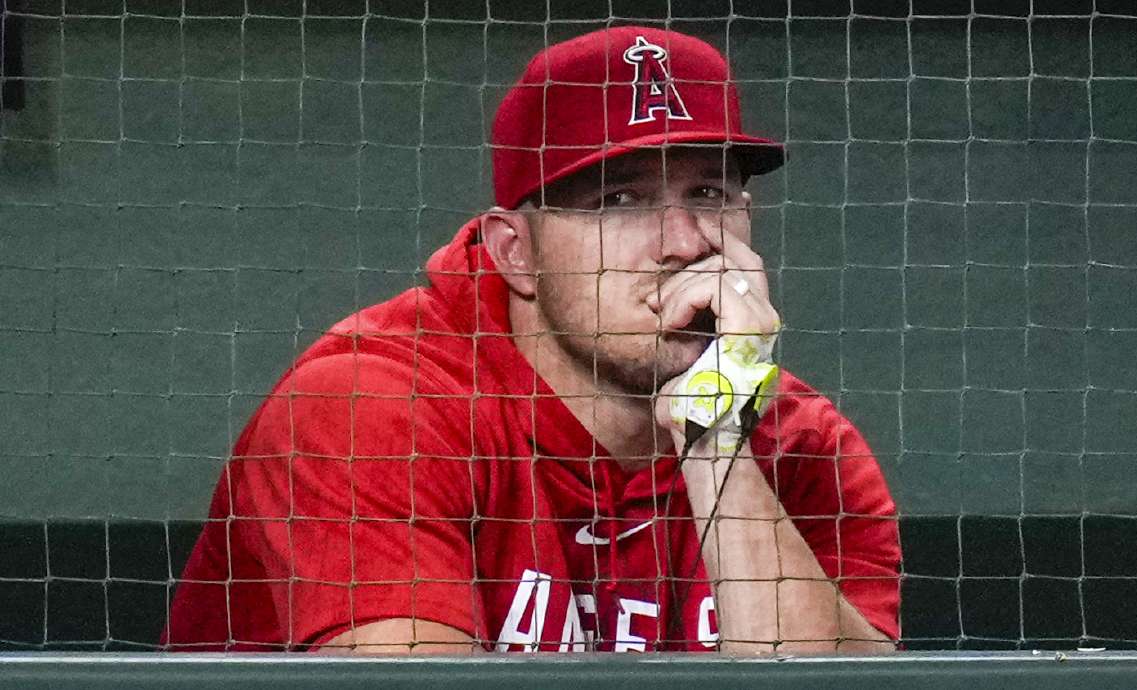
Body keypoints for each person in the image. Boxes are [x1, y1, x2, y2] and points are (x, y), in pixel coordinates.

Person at [163, 25, 900, 655]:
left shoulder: (806, 449)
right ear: (515, 251)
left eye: (709, 194)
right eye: (620, 200)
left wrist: (714, 437)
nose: (684, 243)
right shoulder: (370, 409)